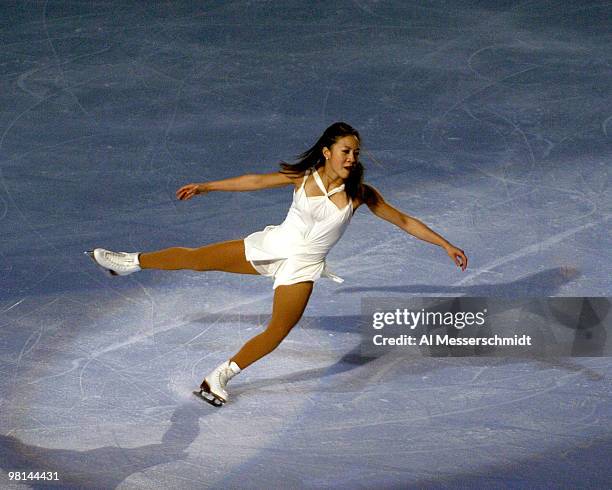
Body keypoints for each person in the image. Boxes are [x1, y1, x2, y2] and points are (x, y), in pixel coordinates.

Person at [87, 122, 468, 406]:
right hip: (273, 245)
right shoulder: (302, 176)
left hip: (302, 267)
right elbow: (253, 181)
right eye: (346, 151)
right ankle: (130, 262)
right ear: (327, 152)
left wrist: (445, 244)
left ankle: (217, 378)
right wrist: (208, 186)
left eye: (355, 153)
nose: (352, 158)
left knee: (278, 329)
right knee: (198, 259)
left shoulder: (360, 194)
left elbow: (403, 221)